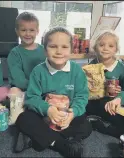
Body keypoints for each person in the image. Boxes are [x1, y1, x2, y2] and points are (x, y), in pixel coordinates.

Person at [14, 27, 92, 157]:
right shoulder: (38, 71)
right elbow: (32, 98)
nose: (59, 51)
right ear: (45, 50)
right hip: (44, 117)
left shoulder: (78, 71)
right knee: (23, 119)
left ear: (71, 50)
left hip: (67, 117)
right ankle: (61, 144)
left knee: (86, 126)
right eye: (53, 46)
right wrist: (48, 110)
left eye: (64, 47)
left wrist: (72, 114)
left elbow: (82, 97)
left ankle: (44, 140)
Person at [7, 12, 46, 125]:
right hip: (24, 89)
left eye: (32, 30)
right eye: (23, 30)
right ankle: (18, 116)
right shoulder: (15, 53)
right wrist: (35, 90)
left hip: (43, 89)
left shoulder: (45, 51)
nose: (28, 34)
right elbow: (19, 81)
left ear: (37, 31)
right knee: (14, 91)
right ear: (17, 31)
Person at [86, 30, 124, 126]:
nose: (105, 48)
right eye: (101, 45)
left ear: (116, 49)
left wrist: (120, 91)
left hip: (113, 101)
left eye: (110, 46)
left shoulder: (122, 68)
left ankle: (102, 120)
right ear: (95, 48)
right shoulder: (91, 65)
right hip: (94, 99)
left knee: (115, 112)